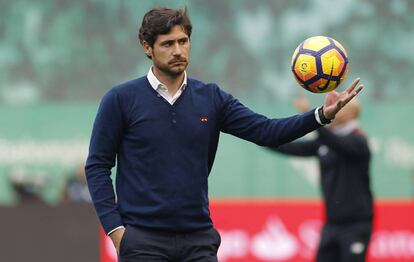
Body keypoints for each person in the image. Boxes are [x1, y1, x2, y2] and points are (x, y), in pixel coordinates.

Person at [85, 7, 363, 262]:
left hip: (198, 241)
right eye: (167, 44)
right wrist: (115, 230)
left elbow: (267, 132)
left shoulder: (211, 98)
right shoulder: (120, 99)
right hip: (142, 242)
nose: (178, 50)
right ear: (148, 47)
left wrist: (322, 115)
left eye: (183, 41)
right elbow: (97, 166)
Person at [269, 95, 373, 262]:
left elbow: (335, 142)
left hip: (356, 223)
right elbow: (290, 147)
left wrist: (311, 116)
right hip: (332, 223)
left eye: (340, 107)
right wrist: (262, 137)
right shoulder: (325, 142)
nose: (335, 110)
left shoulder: (358, 140)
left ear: (352, 114)